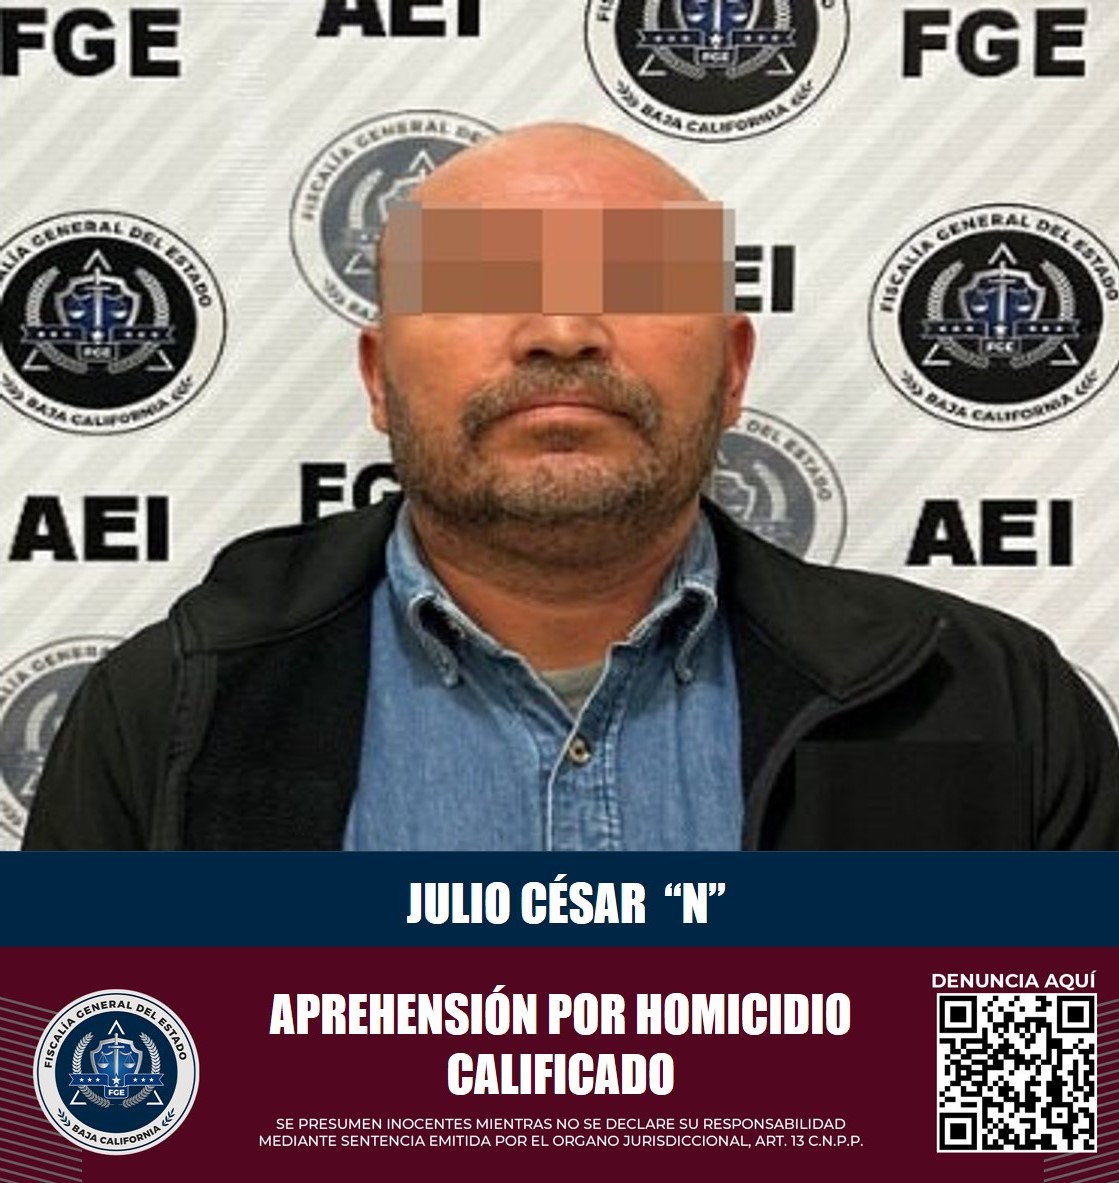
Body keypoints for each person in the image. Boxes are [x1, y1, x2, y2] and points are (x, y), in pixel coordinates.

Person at [23, 123, 1119, 851]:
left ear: (734, 369)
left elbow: (1037, 1115)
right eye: (481, 281)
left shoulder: (980, 705)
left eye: (633, 280)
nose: (560, 330)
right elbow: (106, 1104)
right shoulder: (176, 712)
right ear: (378, 377)